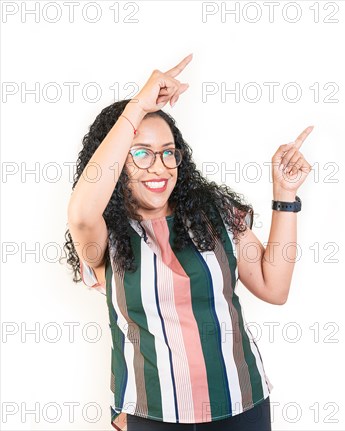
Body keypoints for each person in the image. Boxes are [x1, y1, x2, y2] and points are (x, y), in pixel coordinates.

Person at [63, 54, 314, 431]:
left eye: (168, 152)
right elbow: (81, 213)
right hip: (151, 413)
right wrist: (139, 106)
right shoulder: (105, 234)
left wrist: (285, 196)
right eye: (141, 153)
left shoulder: (214, 213)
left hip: (241, 405)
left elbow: (274, 287)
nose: (160, 166)